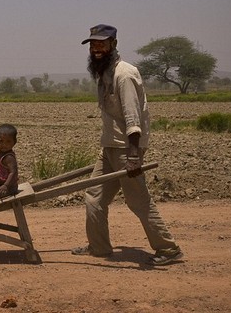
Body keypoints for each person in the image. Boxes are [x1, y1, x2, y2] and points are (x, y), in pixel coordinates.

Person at [72, 24, 183, 266]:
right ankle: (99, 247)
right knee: (94, 197)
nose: (96, 49)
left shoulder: (125, 74)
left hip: (126, 149)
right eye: (92, 44)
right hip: (110, 147)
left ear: (113, 43)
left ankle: (168, 249)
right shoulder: (105, 73)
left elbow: (133, 119)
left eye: (101, 43)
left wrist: (134, 157)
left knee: (138, 201)